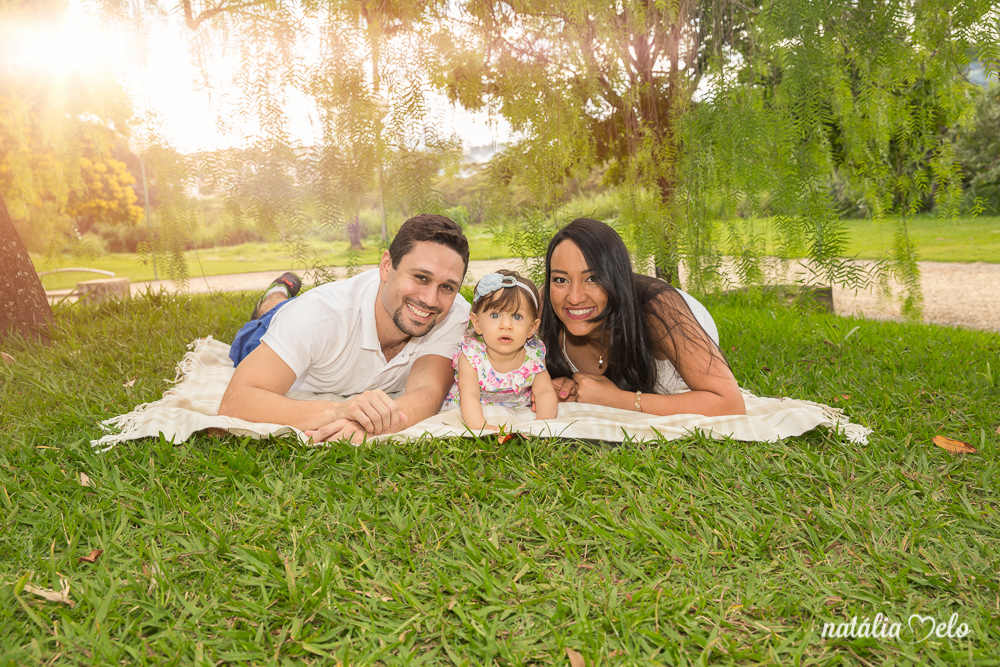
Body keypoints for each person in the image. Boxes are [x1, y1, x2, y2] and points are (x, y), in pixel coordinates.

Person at [218, 213, 471, 443]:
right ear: (385, 266)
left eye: (447, 287)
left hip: (319, 319)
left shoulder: (452, 314)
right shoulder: (317, 316)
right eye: (421, 277)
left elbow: (428, 392)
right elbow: (236, 401)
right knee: (269, 316)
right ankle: (276, 295)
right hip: (278, 325)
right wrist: (338, 410)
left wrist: (368, 426)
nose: (430, 299)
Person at [538, 218, 745, 416]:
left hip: (680, 322)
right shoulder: (542, 305)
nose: (574, 297)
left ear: (615, 278)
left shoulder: (660, 310)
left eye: (592, 278)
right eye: (561, 279)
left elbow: (729, 402)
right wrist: (554, 384)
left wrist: (616, 399)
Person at [443, 270, 558, 431]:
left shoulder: (534, 355)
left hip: (517, 407)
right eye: (495, 315)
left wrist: (544, 421)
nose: (506, 325)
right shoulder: (471, 355)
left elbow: (545, 391)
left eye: (517, 317)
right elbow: (469, 394)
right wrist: (479, 426)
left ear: (531, 328)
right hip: (474, 408)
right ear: (477, 323)